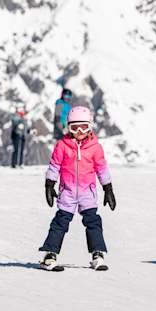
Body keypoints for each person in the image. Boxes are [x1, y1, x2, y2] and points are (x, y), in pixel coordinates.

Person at [40, 106, 116, 271]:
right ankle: (50, 255)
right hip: (67, 192)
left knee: (93, 222)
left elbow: (101, 169)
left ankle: (97, 254)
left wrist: (108, 188)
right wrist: (49, 184)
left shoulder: (95, 148)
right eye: (74, 127)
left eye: (83, 127)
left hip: (87, 192)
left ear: (90, 126)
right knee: (60, 223)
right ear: (68, 128)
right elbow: (54, 166)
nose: (79, 131)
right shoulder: (62, 146)